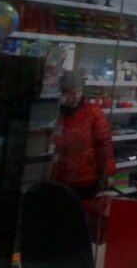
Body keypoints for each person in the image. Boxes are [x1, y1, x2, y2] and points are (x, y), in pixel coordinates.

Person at [52, 72, 115, 201]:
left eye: (79, 92)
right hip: (58, 178)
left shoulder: (92, 112)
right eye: (71, 93)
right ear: (63, 94)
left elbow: (104, 144)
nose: (76, 96)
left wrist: (107, 173)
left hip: (86, 178)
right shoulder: (54, 113)